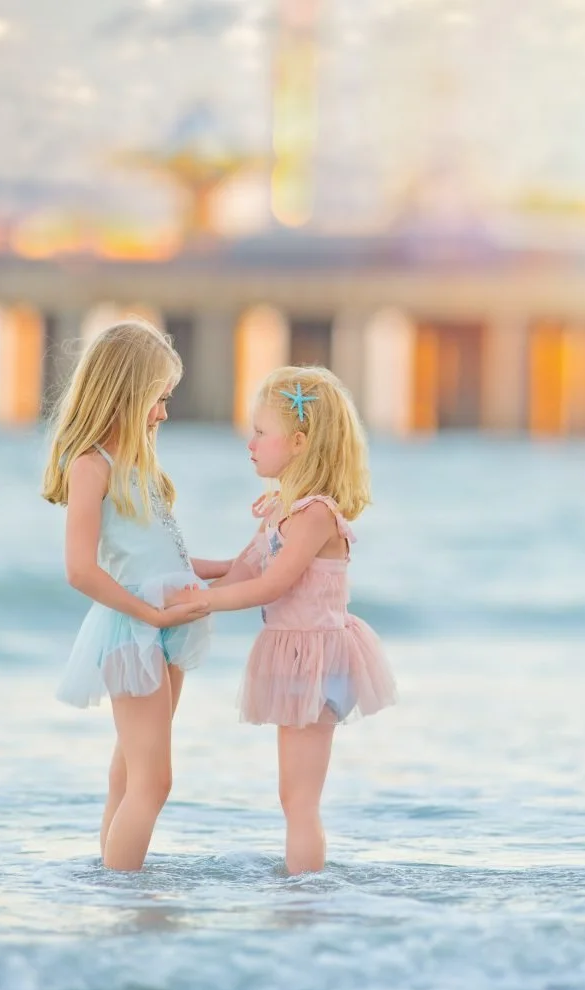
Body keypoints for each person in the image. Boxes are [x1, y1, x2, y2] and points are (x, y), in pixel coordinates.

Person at [173, 365, 397, 874]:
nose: (249, 443)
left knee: (300, 801)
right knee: (290, 794)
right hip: (296, 657)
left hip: (317, 658)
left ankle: (303, 904)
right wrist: (179, 579)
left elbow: (274, 584)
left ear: (298, 441)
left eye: (259, 432)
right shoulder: (280, 509)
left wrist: (203, 604)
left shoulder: (316, 514)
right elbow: (243, 569)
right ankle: (301, 893)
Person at [42, 320, 225, 871]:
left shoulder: (141, 467)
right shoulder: (91, 465)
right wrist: (150, 614)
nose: (163, 413)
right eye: (158, 399)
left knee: (129, 773)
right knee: (155, 780)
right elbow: (81, 570)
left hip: (168, 622)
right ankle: (127, 895)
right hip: (134, 629)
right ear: (126, 392)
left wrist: (236, 566)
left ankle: (111, 887)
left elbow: (166, 558)